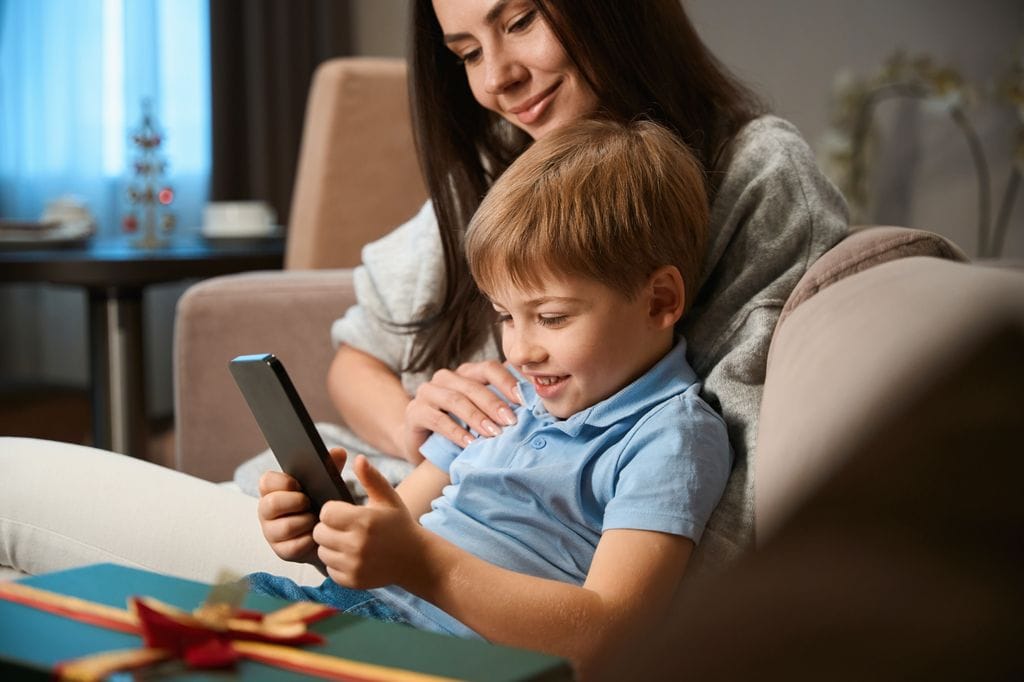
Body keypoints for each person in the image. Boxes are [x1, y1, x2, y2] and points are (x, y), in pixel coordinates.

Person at [0, 0, 846, 583]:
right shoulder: (503, 165)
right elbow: (356, 356)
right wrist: (415, 418)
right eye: (467, 52)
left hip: (423, 576)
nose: (497, 81)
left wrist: (412, 555)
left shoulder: (750, 176)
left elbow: (729, 505)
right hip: (381, 533)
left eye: (519, 21)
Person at [250, 117, 731, 677]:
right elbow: (394, 529)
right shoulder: (507, 394)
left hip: (446, 657)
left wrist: (426, 567)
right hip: (357, 614)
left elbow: (609, 633)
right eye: (505, 315)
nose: (521, 350)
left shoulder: (671, 436)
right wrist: (324, 537)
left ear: (659, 301)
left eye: (550, 317)